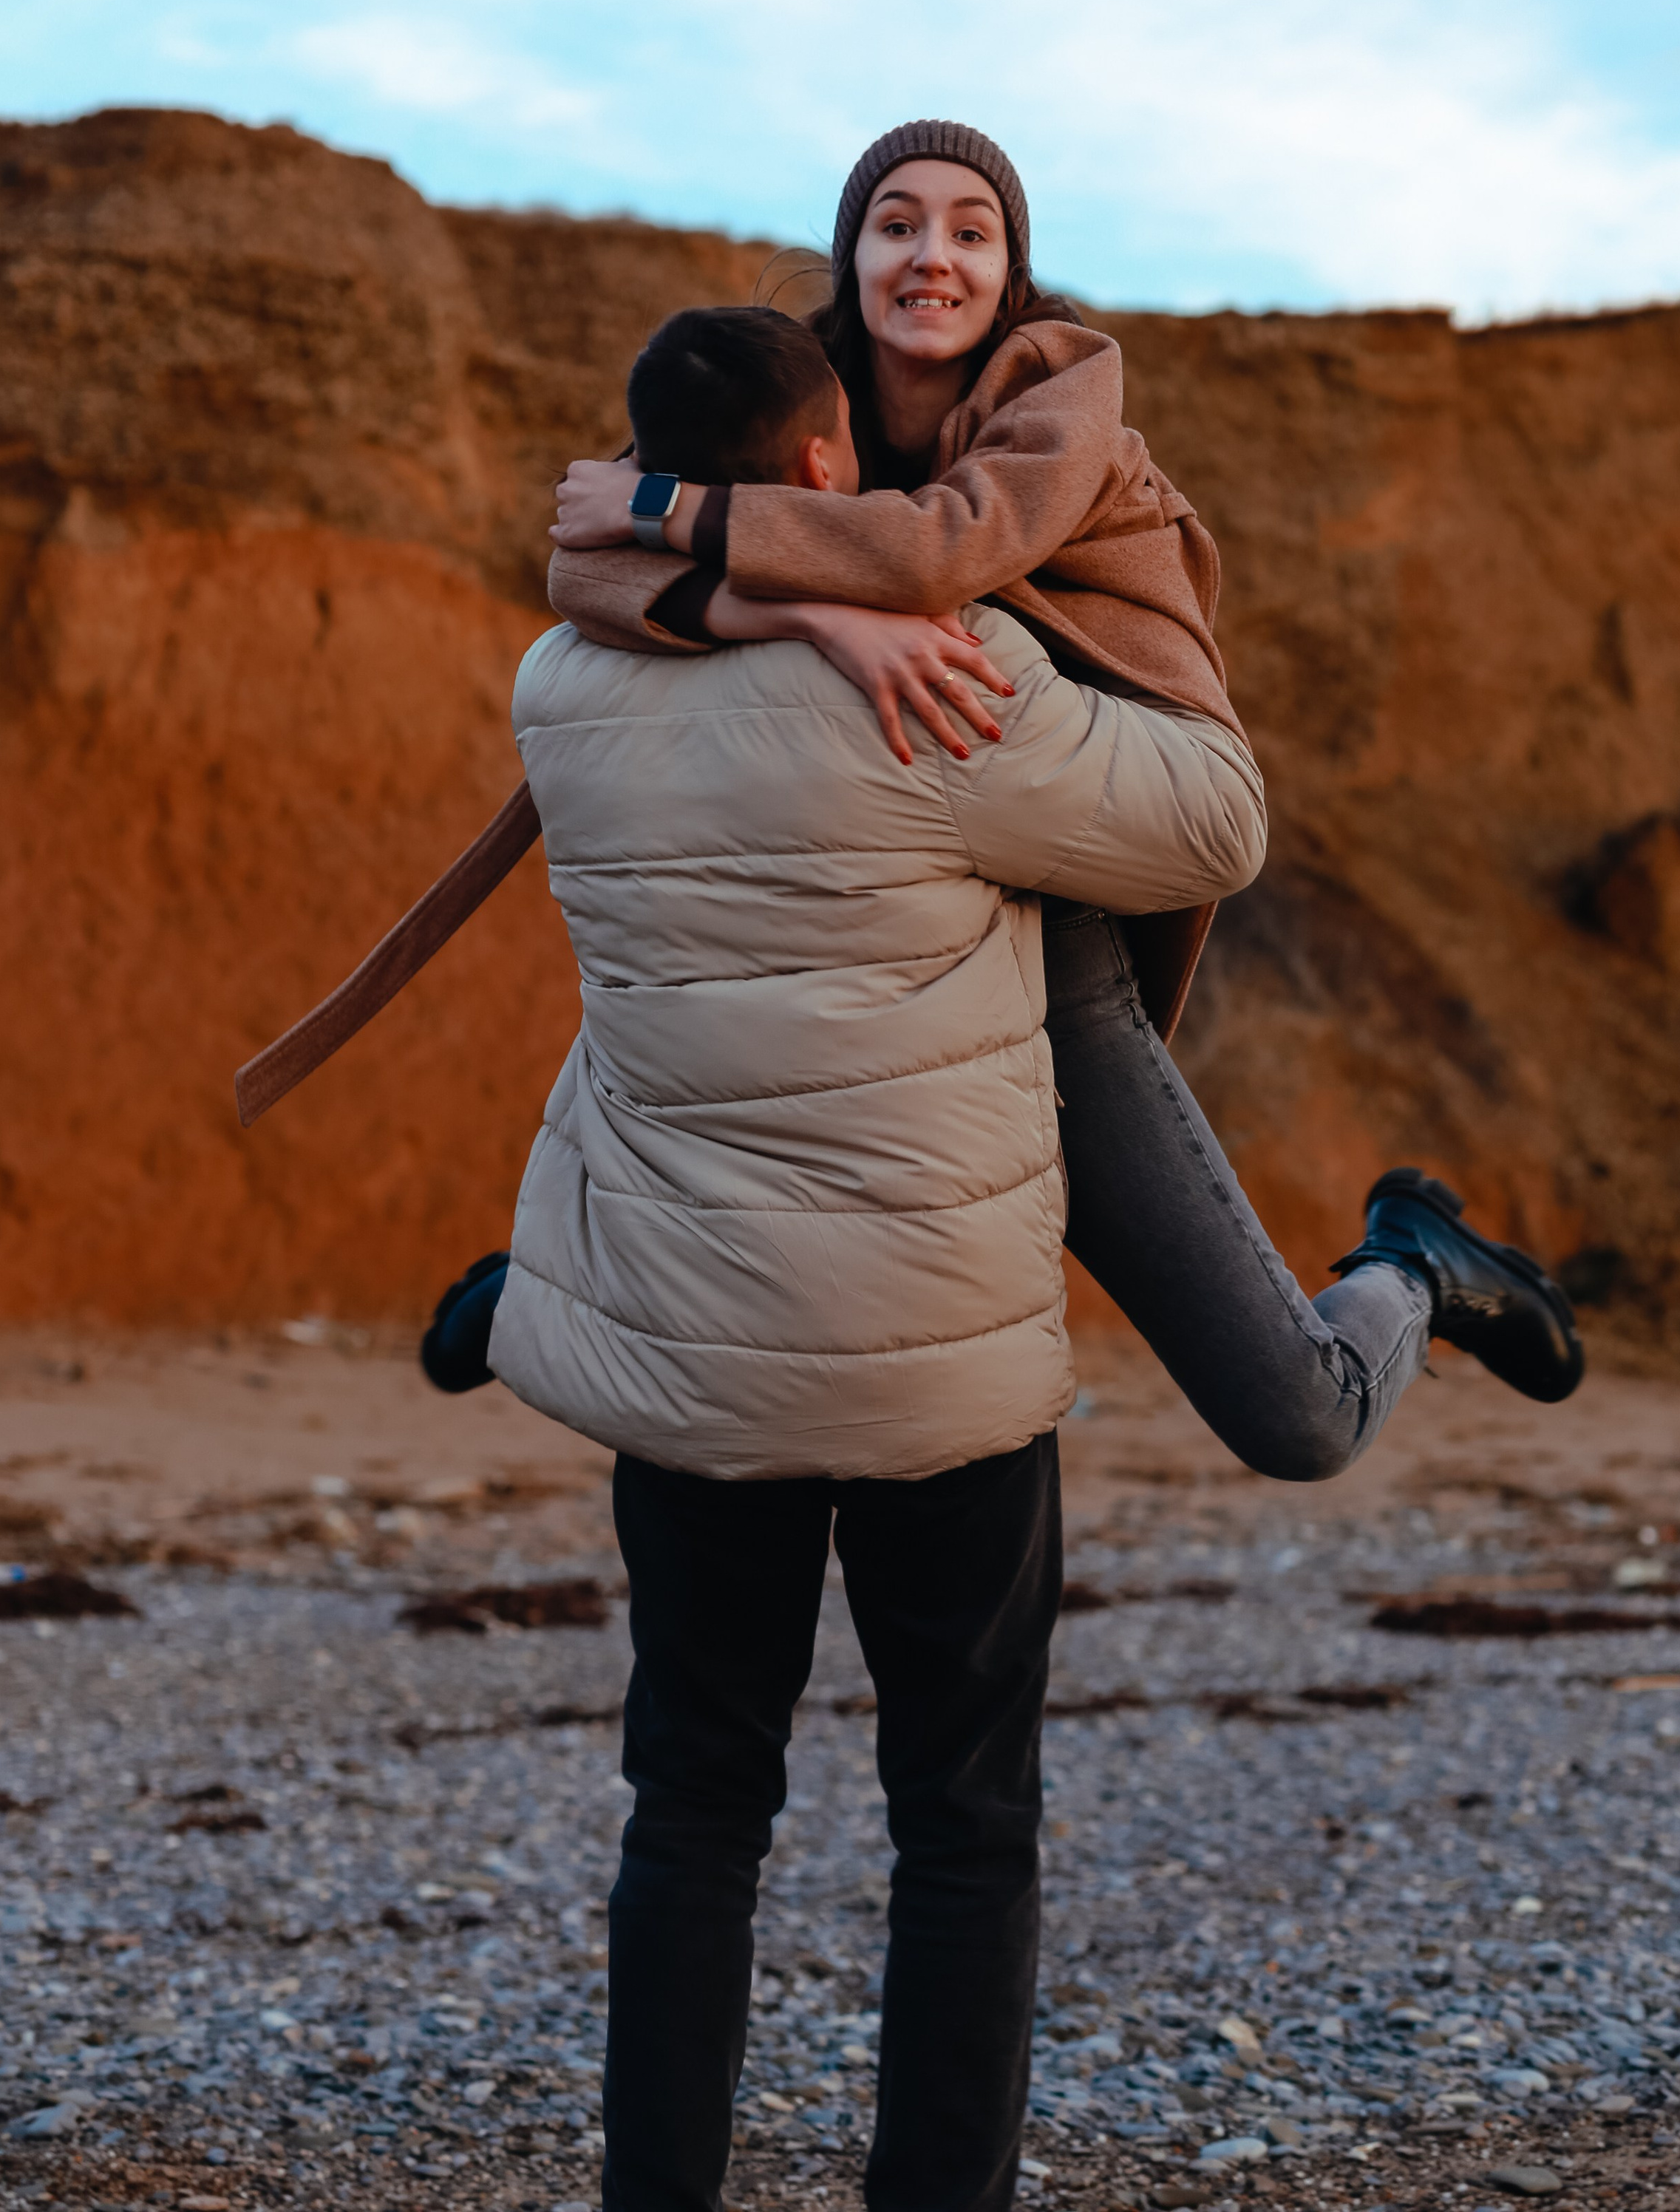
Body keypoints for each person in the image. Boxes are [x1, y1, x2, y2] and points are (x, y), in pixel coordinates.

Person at [475, 302, 1270, 2212]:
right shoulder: (951, 678)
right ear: (835, 472)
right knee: (965, 1832)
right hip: (937, 1374)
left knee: (692, 1816)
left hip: (691, 1364)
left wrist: (785, 598)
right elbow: (1215, 827)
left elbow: (606, 577)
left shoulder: (559, 695)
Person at [484, 120, 1582, 1458]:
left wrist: (687, 518)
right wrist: (817, 621)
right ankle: (536, 1285)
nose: (929, 256)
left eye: (969, 230)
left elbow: (949, 550)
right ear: (852, 255)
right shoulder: (801, 401)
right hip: (869, 925)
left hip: (1066, 924)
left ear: (1010, 272)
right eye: (895, 225)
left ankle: (1413, 1260)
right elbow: (579, 574)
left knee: (1300, 1418)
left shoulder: (1064, 403)